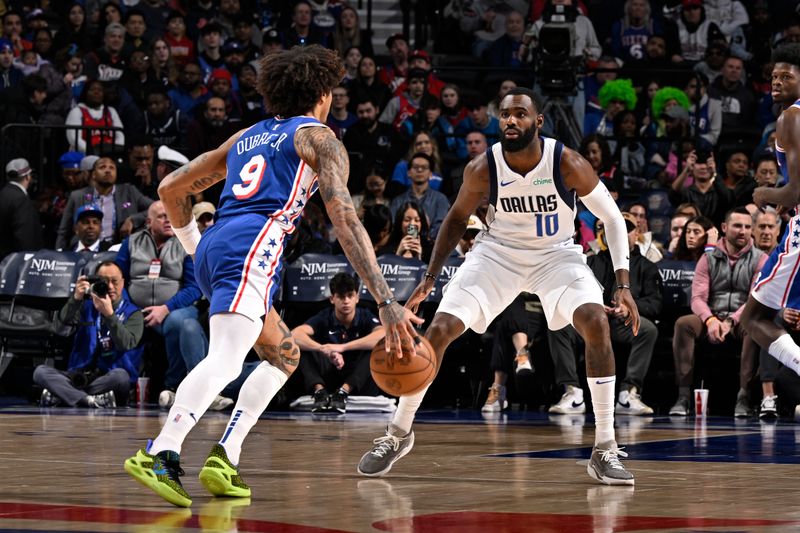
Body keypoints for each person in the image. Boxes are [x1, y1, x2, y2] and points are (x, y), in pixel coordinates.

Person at [123, 45, 420, 507]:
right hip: (252, 246)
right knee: (225, 357)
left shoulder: (247, 136)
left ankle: (226, 455)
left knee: (284, 355)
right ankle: (161, 451)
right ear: (322, 93)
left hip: (220, 243)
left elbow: (170, 187)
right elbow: (345, 218)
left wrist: (194, 249)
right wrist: (384, 299)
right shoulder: (319, 138)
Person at [357, 87, 640, 485]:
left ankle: (605, 446)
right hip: (496, 255)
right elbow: (455, 220)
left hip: (555, 255)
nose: (511, 121)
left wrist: (622, 284)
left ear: (537, 122)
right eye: (505, 115)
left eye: (520, 114)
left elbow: (611, 218)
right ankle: (398, 434)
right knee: (438, 330)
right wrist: (430, 278)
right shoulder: (482, 168)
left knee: (596, 321)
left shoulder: (567, 162)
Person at [742, 43, 800, 397]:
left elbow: (795, 193)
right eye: (774, 76)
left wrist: (765, 194)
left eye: (786, 76)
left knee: (752, 318)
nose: (776, 82)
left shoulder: (791, 117)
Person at [35, 261, 143, 408]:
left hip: (108, 378)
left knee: (121, 377)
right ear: (95, 283)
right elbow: (59, 328)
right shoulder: (85, 307)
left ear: (123, 283)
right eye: (104, 282)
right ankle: (89, 400)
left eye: (115, 281)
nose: (110, 287)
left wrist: (109, 315)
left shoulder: (134, 313)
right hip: (79, 376)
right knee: (40, 372)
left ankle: (63, 395)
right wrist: (76, 299)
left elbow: (125, 344)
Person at [292, 272, 385, 414]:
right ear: (332, 299)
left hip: (357, 379)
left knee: (377, 349)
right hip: (330, 375)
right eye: (341, 297)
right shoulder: (324, 316)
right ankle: (320, 392)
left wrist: (342, 347)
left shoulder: (365, 316)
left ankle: (343, 392)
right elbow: (295, 334)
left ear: (357, 298)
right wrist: (324, 349)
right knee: (301, 348)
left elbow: (382, 335)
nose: (346, 301)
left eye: (350, 296)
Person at [0, 158, 43, 262]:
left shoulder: (3, 194)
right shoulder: (21, 200)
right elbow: (24, 238)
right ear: (28, 176)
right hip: (15, 264)